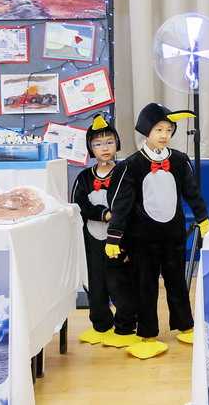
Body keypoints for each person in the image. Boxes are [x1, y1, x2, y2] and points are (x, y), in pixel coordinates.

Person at [107, 103, 209, 359]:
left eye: (169, 130)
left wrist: (203, 219)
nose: (164, 135)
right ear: (147, 131)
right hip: (142, 239)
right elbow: (121, 204)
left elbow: (192, 193)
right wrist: (114, 237)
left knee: (178, 283)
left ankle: (186, 326)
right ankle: (148, 334)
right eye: (159, 129)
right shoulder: (131, 165)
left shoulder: (179, 160)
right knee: (146, 286)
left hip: (173, 235)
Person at [71, 115, 139, 348]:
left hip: (119, 241)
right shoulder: (83, 177)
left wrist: (128, 243)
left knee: (120, 285)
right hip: (92, 240)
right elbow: (79, 205)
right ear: (90, 148)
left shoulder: (125, 173)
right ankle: (100, 325)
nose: (105, 148)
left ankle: (125, 327)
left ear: (117, 144)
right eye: (98, 144)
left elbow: (131, 206)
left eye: (109, 142)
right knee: (95, 285)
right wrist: (102, 214)